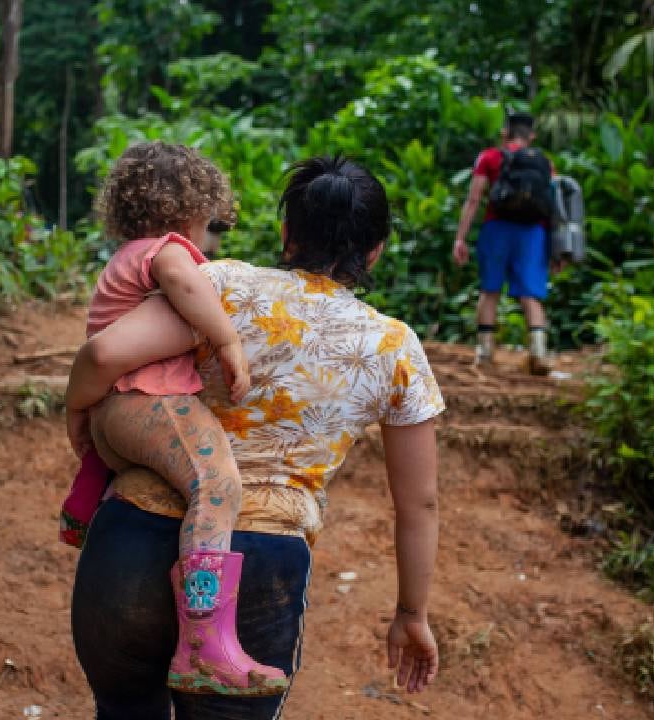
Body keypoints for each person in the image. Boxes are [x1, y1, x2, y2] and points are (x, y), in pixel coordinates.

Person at [66, 156, 445, 719]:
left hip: (130, 542)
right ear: (375, 250)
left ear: (287, 234)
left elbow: (106, 355)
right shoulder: (395, 348)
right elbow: (419, 503)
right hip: (262, 566)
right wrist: (411, 614)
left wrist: (80, 418)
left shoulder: (218, 284)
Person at [66, 140, 289, 696]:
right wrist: (228, 338)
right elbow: (188, 285)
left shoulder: (123, 257)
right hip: (150, 402)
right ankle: (204, 642)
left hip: (116, 416)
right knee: (216, 484)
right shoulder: (168, 252)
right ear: (194, 206)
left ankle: (84, 508)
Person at [452, 111, 555, 375]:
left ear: (505, 132)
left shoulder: (490, 157)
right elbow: (555, 208)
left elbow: (474, 199)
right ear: (531, 135)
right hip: (533, 233)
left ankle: (485, 354)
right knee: (530, 295)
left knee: (490, 291)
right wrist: (557, 250)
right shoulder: (545, 163)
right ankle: (539, 353)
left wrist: (460, 237)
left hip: (496, 229)